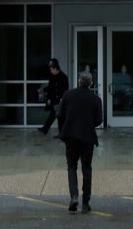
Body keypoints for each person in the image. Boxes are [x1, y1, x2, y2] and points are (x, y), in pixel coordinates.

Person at [56, 71, 103, 214]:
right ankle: (86, 202)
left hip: (70, 136)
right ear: (91, 83)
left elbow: (60, 115)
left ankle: (74, 196)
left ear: (78, 81)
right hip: (87, 138)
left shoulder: (68, 95)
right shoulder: (96, 99)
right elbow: (99, 120)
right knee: (86, 168)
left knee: (71, 167)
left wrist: (63, 130)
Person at [38, 58, 69, 135]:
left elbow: (65, 89)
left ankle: (59, 132)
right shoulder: (52, 76)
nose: (50, 71)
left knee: (58, 116)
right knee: (55, 115)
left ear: (55, 68)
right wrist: (44, 91)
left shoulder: (63, 77)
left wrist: (62, 98)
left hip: (60, 99)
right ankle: (47, 129)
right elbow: (50, 87)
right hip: (53, 99)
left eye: (51, 69)